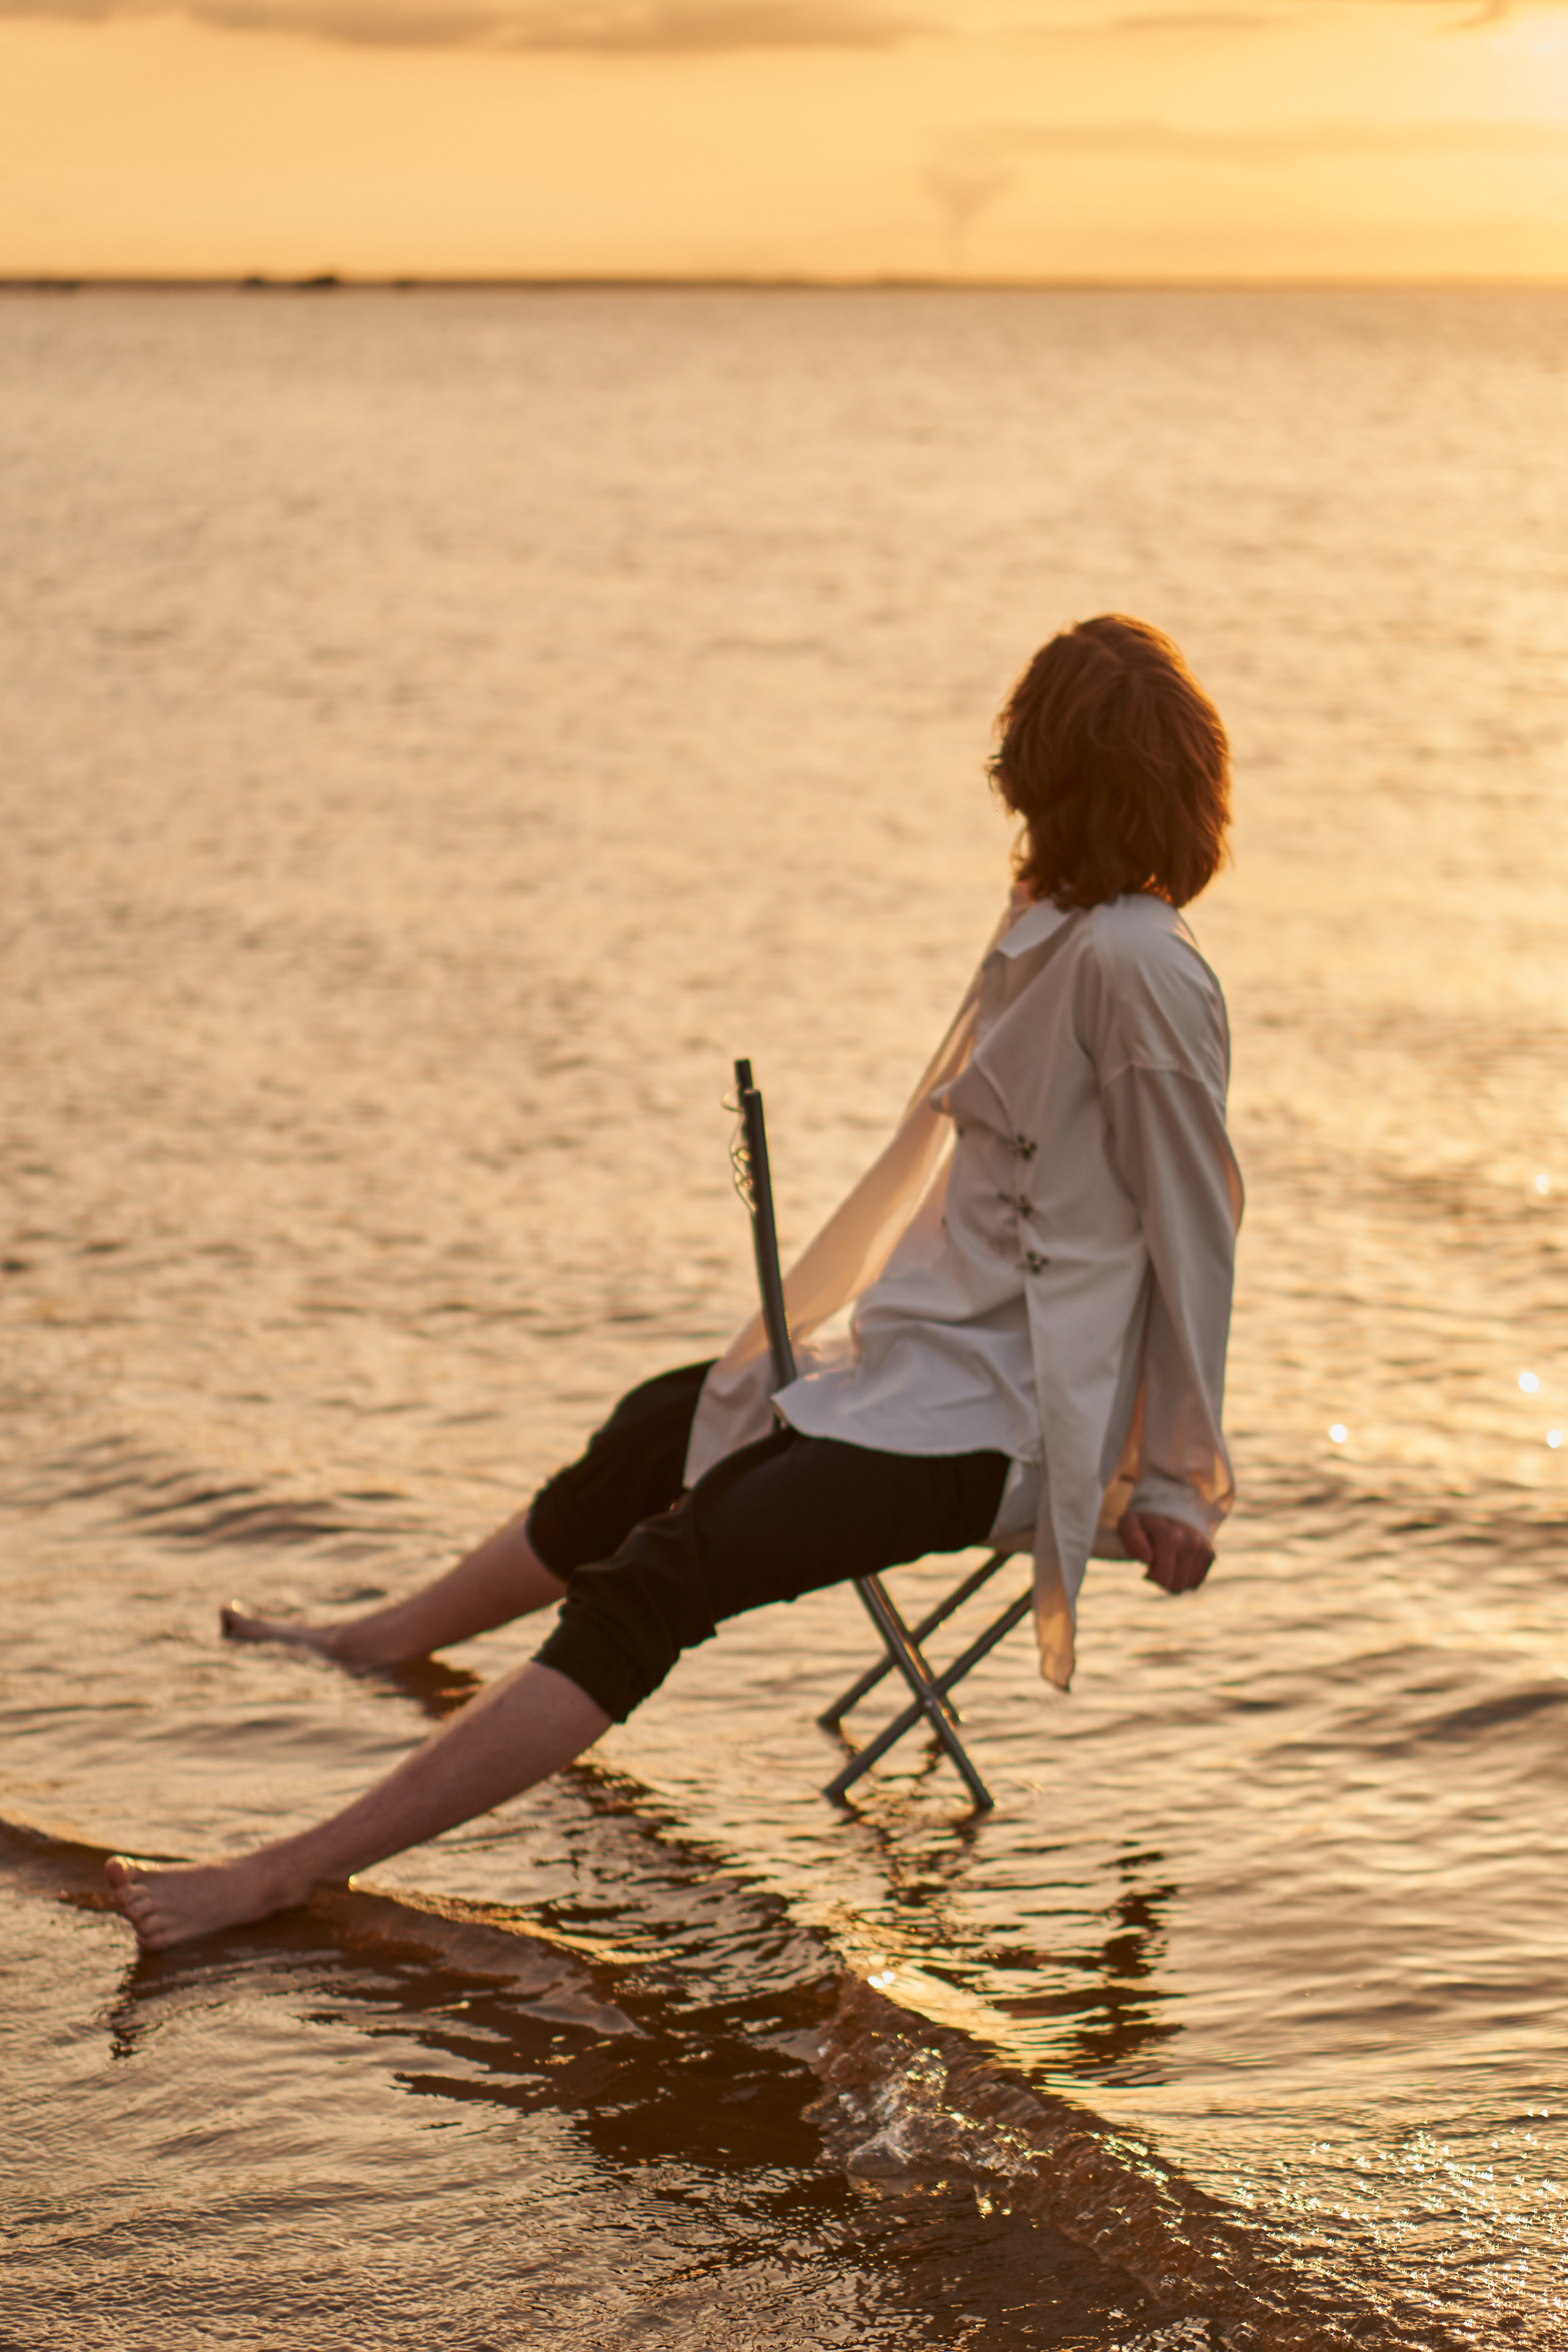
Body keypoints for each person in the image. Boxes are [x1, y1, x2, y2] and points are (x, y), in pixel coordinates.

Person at [107, 614, 1243, 1951]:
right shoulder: (1052, 927)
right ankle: (383, 1641)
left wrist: (1176, 1484)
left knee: (659, 1578)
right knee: (664, 1424)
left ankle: (290, 1871)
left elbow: (1198, 1226)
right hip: (927, 1367)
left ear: (1051, 774)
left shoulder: (1138, 967)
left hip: (1007, 1424)